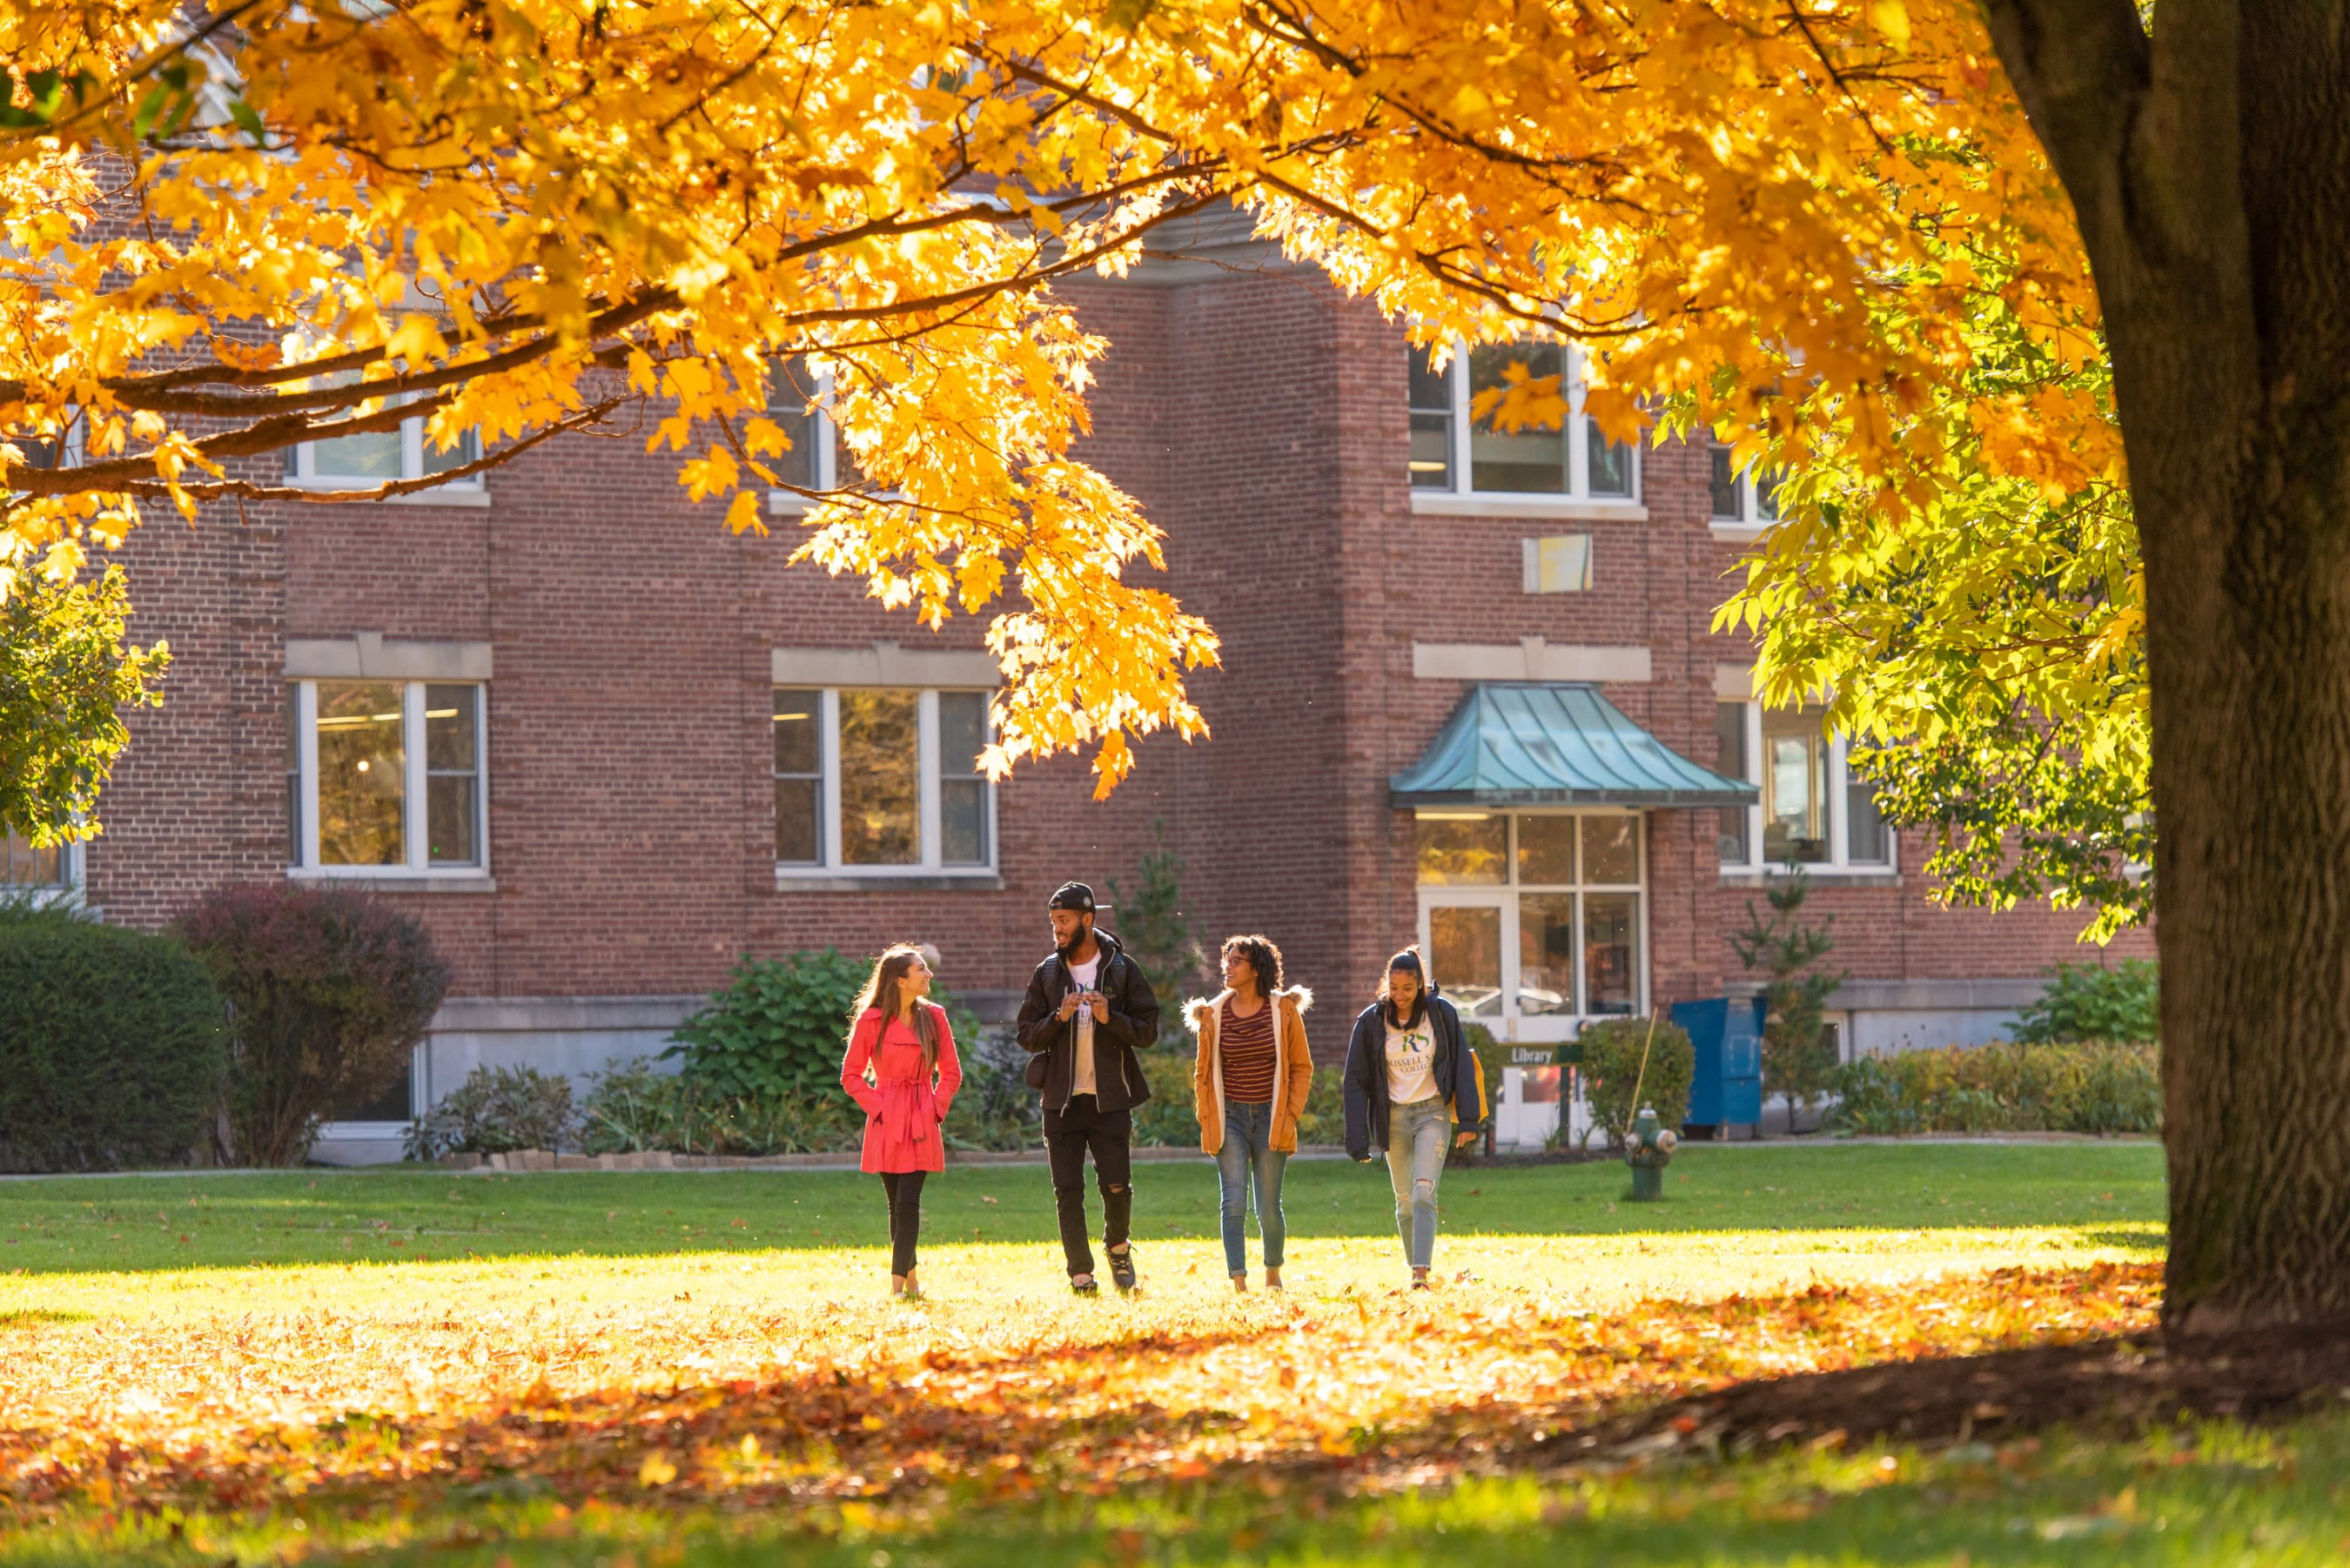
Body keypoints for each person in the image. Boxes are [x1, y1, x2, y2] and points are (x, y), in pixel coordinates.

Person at [1015, 881, 1158, 1295]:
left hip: (1110, 1098)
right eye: (1053, 922)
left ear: (1088, 920)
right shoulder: (1046, 972)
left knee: (1116, 1184)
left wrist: (1110, 1016)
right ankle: (1080, 1271)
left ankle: (1118, 1246)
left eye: (1063, 921)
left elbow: (1148, 1031)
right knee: (1068, 1190)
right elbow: (1027, 1035)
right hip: (1060, 1101)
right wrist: (1057, 1019)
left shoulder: (1121, 970)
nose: (1057, 929)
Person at [1342, 947, 1488, 1290]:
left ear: (1421, 984)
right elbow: (1355, 1080)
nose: (1400, 996)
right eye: (1393, 989)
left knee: (1424, 1193)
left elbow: (1463, 1064)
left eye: (1407, 989)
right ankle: (1414, 1266)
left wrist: (1468, 1121)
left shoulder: (1440, 1013)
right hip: (1393, 1117)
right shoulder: (1371, 1022)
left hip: (1431, 1113)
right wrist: (1357, 1137)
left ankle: (1420, 1274)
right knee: (1405, 1200)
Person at [1187, 934, 1313, 1292]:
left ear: (1256, 969)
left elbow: (1302, 1067)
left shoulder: (1283, 1010)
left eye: (1236, 960)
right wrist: (1206, 1114)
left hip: (1272, 1118)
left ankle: (1273, 1274)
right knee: (1233, 1202)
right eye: (1226, 959)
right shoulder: (1212, 1014)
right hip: (1231, 1120)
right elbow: (1202, 1072)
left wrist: (1290, 1115)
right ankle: (1239, 1282)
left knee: (1269, 1208)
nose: (1227, 966)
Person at [840, 943, 963, 1297]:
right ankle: (912, 1283)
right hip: (886, 1119)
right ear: (899, 980)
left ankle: (896, 1290)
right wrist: (879, 1107)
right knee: (896, 1204)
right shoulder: (871, 1020)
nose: (929, 975)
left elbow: (951, 1072)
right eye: (921, 969)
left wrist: (936, 1108)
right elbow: (851, 1076)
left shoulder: (935, 1016)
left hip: (922, 1117)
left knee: (908, 1202)